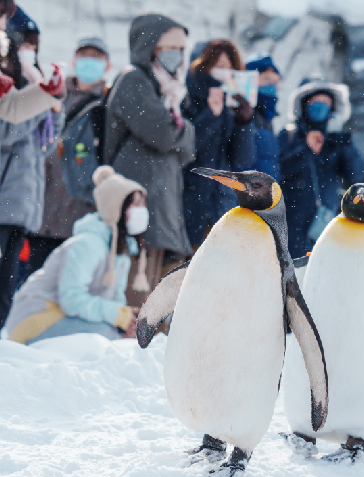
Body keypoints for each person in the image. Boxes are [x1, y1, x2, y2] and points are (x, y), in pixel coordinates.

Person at [104, 13, 195, 305]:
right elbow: (164, 134)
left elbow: (187, 150)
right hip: (138, 204)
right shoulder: (134, 80)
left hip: (161, 207)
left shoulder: (169, 90)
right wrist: (184, 132)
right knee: (134, 293)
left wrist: (180, 133)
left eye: (181, 49)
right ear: (149, 46)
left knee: (154, 299)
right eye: (169, 47)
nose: (177, 56)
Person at [2, 166, 147, 344]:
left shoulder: (121, 252)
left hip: (65, 318)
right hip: (36, 317)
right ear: (116, 208)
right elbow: (71, 299)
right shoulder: (86, 245)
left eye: (143, 205)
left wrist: (124, 321)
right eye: (136, 204)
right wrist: (116, 315)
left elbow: (112, 298)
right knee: (104, 336)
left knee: (118, 337)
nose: (142, 211)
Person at [24, 37, 112, 277]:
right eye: (85, 56)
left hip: (82, 216)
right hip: (43, 212)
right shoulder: (54, 93)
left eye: (96, 57)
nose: (89, 62)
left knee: (72, 286)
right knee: (36, 287)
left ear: (108, 65)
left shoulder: (110, 103)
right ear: (74, 60)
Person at [0, 13, 65, 328]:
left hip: (24, 205)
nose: (28, 49)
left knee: (6, 291)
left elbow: (46, 146)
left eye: (33, 44)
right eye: (23, 41)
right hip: (4, 200)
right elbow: (5, 132)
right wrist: (37, 103)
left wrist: (53, 106)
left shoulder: (34, 79)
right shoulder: (8, 81)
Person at [278, 78, 364, 257]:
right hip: (290, 228)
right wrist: (305, 150)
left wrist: (343, 142)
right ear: (303, 104)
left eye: (326, 102)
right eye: (315, 101)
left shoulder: (337, 141)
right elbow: (277, 172)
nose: (320, 106)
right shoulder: (288, 136)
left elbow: (357, 175)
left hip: (326, 226)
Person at [182, 39, 255, 248]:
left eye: (230, 67)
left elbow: (243, 159)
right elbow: (186, 150)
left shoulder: (233, 108)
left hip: (222, 206)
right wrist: (210, 115)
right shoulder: (185, 103)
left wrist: (244, 122)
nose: (226, 72)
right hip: (189, 205)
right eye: (219, 66)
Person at [245, 52, 281, 180]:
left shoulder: (268, 119)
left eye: (276, 81)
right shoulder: (241, 116)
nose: (272, 86)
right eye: (266, 79)